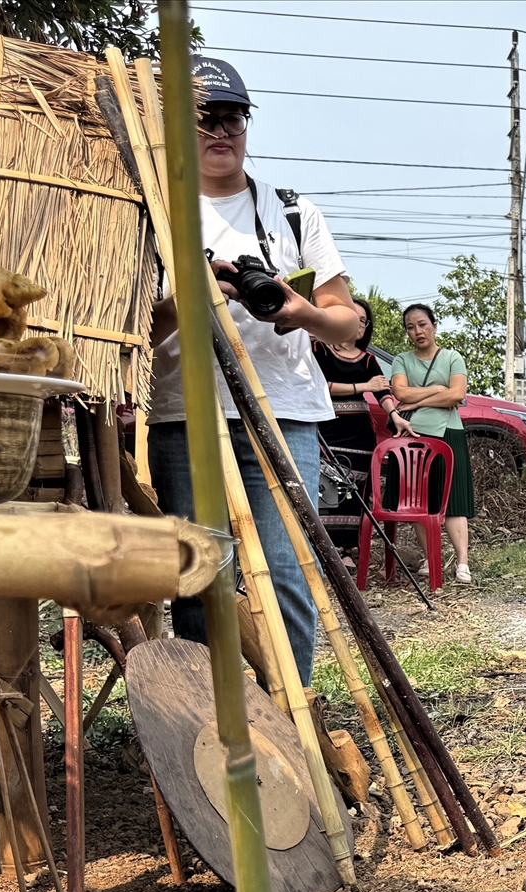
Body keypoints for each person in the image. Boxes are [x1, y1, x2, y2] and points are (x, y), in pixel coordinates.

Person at [147, 56, 358, 685]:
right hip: (184, 413)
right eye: (203, 118)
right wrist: (193, 292)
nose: (219, 131)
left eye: (231, 117)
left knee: (290, 574)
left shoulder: (293, 212)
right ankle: (206, 720)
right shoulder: (154, 211)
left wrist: (297, 311)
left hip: (282, 409)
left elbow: (347, 325)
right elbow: (133, 328)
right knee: (198, 579)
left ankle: (290, 719)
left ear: (248, 124)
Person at [383, 304, 475, 585]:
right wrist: (438, 390)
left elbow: (457, 394)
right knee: (418, 502)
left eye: (422, 324)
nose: (417, 331)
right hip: (413, 435)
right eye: (411, 327)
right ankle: (429, 557)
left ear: (434, 325)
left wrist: (420, 399)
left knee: (454, 502)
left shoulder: (452, 357)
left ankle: (462, 563)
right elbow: (399, 391)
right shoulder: (402, 359)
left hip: (449, 433)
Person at [314, 297, 390, 566]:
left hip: (359, 433)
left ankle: (347, 550)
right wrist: (362, 386)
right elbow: (323, 385)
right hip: (328, 430)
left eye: (362, 320)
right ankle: (323, 547)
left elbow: (383, 390)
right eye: (353, 317)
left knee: (355, 489)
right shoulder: (320, 349)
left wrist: (394, 414)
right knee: (327, 484)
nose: (357, 324)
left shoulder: (368, 359)